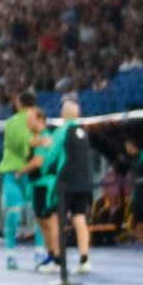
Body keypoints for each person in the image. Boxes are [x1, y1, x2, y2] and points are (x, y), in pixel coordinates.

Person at [43, 100, 93, 274]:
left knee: (57, 221)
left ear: (63, 114)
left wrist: (44, 170)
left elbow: (51, 156)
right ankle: (84, 260)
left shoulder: (61, 131)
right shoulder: (84, 132)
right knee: (79, 219)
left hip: (66, 182)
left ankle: (58, 262)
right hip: (85, 182)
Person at [0, 91, 42, 269]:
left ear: (18, 103)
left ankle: (10, 254)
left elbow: (15, 144)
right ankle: (40, 252)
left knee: (13, 214)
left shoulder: (10, 123)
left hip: (13, 173)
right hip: (33, 173)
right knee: (39, 215)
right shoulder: (39, 120)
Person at [20, 108, 60, 273]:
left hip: (46, 185)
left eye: (30, 119)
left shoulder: (46, 137)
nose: (28, 122)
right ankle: (50, 254)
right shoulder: (37, 139)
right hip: (37, 184)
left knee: (50, 221)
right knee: (42, 222)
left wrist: (20, 171)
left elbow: (37, 162)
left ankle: (57, 258)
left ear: (40, 119)